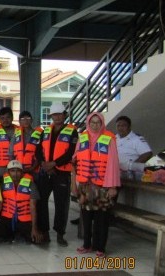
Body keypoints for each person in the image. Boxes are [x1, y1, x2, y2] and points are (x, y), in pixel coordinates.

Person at [74, 112, 120, 257]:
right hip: (85, 185)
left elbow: (113, 163)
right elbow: (76, 160)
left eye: (97, 122)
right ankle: (87, 245)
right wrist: (75, 182)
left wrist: (112, 186)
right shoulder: (82, 137)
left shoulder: (109, 138)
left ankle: (100, 247)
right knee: (86, 217)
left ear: (102, 124)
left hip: (102, 186)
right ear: (88, 123)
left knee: (102, 219)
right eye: (92, 122)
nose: (95, 125)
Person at [36, 102, 78, 246]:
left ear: (64, 115)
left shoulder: (72, 131)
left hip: (62, 173)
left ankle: (60, 234)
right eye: (54, 115)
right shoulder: (45, 131)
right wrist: (44, 164)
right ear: (51, 116)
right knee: (41, 201)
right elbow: (38, 151)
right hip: (46, 171)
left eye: (60, 114)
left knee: (62, 204)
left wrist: (53, 164)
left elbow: (71, 152)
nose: (57, 117)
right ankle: (45, 232)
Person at [0, 160, 42, 244]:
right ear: (8, 172)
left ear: (22, 172)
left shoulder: (31, 184)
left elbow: (33, 207)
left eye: (18, 171)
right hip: (7, 218)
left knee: (37, 239)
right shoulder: (3, 184)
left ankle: (18, 234)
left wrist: (34, 228)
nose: (15, 174)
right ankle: (13, 234)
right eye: (12, 171)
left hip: (25, 219)